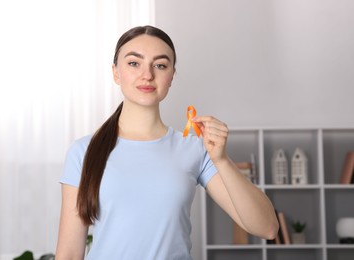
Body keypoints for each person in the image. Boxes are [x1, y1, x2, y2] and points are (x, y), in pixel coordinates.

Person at [55, 25, 279, 260]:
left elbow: (267, 227)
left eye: (160, 65)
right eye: (134, 63)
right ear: (116, 72)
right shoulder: (83, 151)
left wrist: (221, 160)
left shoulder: (194, 149)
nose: (147, 75)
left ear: (171, 76)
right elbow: (69, 254)